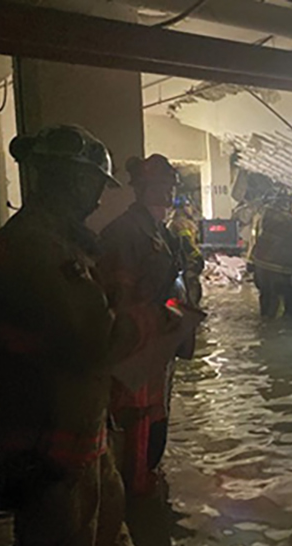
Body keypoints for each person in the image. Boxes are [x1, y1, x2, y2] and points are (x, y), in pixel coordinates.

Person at [0, 125, 139, 546]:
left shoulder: (59, 242)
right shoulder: (36, 248)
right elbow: (92, 343)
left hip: (79, 432)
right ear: (68, 179)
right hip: (50, 445)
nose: (95, 199)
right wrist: (144, 323)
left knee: (96, 535)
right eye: (92, 185)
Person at [98, 154, 183, 497]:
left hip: (156, 339)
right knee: (133, 419)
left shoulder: (157, 230)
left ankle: (144, 486)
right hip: (134, 342)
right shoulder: (125, 231)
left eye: (170, 188)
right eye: (162, 187)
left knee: (152, 416)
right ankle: (131, 496)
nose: (168, 195)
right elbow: (116, 295)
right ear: (144, 189)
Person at [250, 189, 292, 318]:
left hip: (260, 268)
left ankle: (265, 324)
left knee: (266, 298)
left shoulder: (265, 217)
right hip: (279, 271)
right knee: (290, 301)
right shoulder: (289, 221)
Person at [167, 195, 205, 308]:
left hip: (180, 264)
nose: (191, 209)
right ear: (183, 208)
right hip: (187, 264)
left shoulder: (174, 222)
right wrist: (198, 258)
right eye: (188, 206)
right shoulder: (181, 224)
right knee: (192, 294)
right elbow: (186, 244)